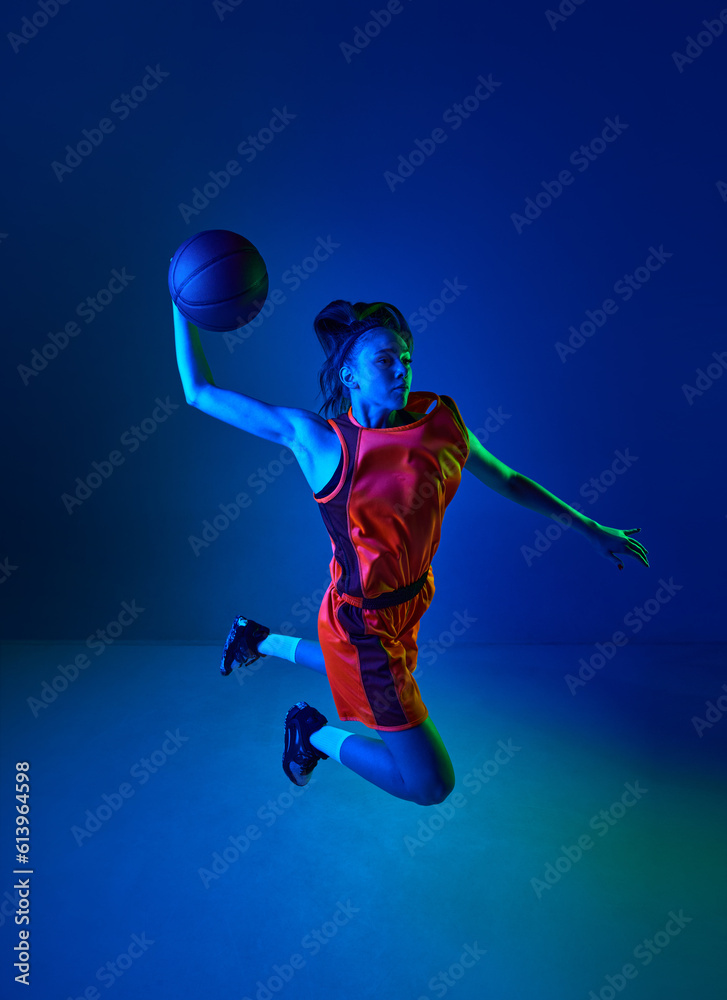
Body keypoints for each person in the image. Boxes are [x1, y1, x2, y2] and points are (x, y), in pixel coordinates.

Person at [173, 298, 649, 806]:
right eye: (384, 360)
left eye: (406, 358)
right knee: (429, 783)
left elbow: (507, 479)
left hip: (412, 601)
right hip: (364, 620)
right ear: (349, 375)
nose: (402, 369)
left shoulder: (439, 418)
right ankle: (310, 734)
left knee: (351, 670)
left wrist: (590, 527)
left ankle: (256, 639)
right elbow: (199, 392)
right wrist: (181, 302)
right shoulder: (320, 441)